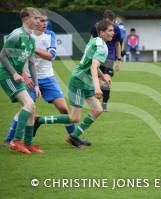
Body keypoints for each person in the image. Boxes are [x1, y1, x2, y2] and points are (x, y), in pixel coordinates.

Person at [4, 12, 91, 147]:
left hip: (48, 78)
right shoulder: (24, 35)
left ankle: (73, 137)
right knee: (26, 108)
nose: (45, 23)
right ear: (35, 21)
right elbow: (15, 59)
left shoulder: (49, 35)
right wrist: (24, 75)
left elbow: (52, 56)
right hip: (30, 79)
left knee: (63, 108)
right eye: (42, 21)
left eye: (46, 21)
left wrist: (33, 48)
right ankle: (9, 139)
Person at [34, 20, 113, 148]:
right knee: (74, 118)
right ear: (102, 33)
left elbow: (90, 63)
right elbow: (93, 66)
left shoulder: (96, 41)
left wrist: (103, 76)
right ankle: (39, 120)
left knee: (98, 110)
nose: (113, 33)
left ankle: (73, 136)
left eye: (112, 30)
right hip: (79, 81)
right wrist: (98, 87)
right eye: (110, 30)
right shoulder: (102, 47)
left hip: (86, 81)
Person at [0, 7, 42, 154]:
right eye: (35, 18)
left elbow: (31, 64)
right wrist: (14, 73)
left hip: (15, 75)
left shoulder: (30, 39)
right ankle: (15, 141)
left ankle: (28, 143)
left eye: (39, 19)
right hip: (6, 74)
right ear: (26, 19)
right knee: (29, 104)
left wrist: (36, 85)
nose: (38, 21)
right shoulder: (16, 35)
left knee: (32, 108)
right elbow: (2, 55)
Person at [90, 10, 122, 112]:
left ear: (113, 21)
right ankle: (97, 102)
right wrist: (89, 55)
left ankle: (105, 103)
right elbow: (91, 40)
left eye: (110, 22)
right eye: (107, 21)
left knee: (107, 80)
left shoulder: (116, 29)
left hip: (109, 57)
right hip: (97, 56)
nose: (109, 24)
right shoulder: (96, 27)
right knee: (99, 81)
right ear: (103, 19)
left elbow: (117, 44)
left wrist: (119, 60)